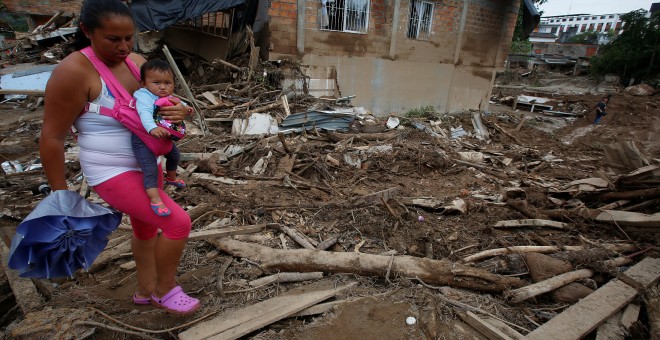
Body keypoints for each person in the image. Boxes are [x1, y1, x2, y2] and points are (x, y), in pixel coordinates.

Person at [40, 0, 199, 314]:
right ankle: (165, 291)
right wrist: (60, 196)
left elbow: (163, 103)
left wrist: (179, 110)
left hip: (146, 165)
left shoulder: (136, 62)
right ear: (87, 31)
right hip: (110, 171)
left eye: (129, 37)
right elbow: (52, 136)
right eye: (114, 39)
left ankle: (144, 289)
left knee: (146, 229)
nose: (124, 46)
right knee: (177, 223)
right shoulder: (73, 71)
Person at [133, 59, 188, 217]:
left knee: (174, 155)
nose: (163, 87)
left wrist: (185, 108)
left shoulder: (165, 95)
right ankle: (155, 199)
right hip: (144, 140)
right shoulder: (144, 96)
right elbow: (144, 113)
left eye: (167, 83)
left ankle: (171, 177)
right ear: (143, 83)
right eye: (156, 82)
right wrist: (152, 128)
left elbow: (178, 102)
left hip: (163, 137)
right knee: (150, 170)